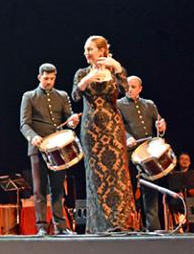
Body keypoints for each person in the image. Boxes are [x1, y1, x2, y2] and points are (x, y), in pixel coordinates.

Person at [71, 36, 138, 233]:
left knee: (118, 175)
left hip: (113, 129)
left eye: (90, 49)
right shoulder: (82, 72)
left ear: (101, 51)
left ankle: (122, 223)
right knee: (95, 177)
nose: (86, 53)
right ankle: (99, 225)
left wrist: (117, 67)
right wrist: (86, 80)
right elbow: (75, 95)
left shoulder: (114, 71)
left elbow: (126, 90)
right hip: (91, 131)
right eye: (85, 49)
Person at [20, 63, 79, 236]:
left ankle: (60, 226)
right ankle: (41, 227)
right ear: (39, 77)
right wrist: (33, 137)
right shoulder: (29, 96)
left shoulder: (62, 95)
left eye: (52, 79)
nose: (49, 82)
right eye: (46, 78)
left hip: (58, 149)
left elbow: (68, 118)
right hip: (38, 149)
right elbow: (24, 124)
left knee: (58, 189)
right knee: (39, 190)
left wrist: (72, 121)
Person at [117, 75, 166, 231]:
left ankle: (153, 227)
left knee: (151, 190)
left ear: (140, 88)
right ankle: (129, 227)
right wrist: (128, 137)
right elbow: (119, 127)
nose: (129, 90)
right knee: (128, 190)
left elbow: (158, 127)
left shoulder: (149, 105)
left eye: (133, 87)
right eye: (127, 87)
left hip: (148, 154)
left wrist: (162, 127)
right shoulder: (118, 104)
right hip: (130, 154)